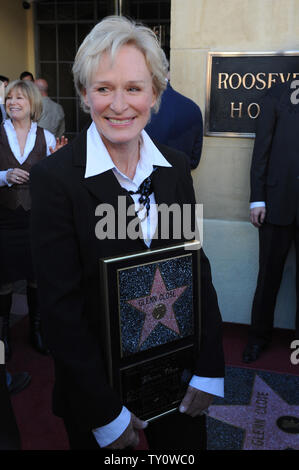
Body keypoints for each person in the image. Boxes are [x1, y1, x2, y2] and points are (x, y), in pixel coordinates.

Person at [30, 16, 224, 450]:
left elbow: (196, 271)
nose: (119, 105)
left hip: (178, 386)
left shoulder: (174, 169)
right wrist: (106, 415)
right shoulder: (55, 181)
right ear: (84, 94)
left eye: (134, 88)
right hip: (99, 396)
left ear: (155, 93)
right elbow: (61, 311)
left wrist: (210, 367)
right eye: (104, 88)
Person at [0, 80, 67, 361]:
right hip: (3, 219)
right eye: (9, 98)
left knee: (36, 275)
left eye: (19, 98)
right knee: (2, 278)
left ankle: (37, 330)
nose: (13, 102)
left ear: (32, 104)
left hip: (36, 218)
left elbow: (57, 182)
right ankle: (3, 335)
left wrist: (58, 161)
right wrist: (3, 176)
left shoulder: (48, 137)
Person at [243, 80, 299, 363]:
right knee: (268, 279)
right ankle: (257, 339)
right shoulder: (277, 94)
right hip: (276, 205)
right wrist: (257, 199)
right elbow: (261, 149)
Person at [145, 76, 203, 170]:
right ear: (169, 74)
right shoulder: (192, 108)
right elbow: (194, 161)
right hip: (180, 181)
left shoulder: (138, 108)